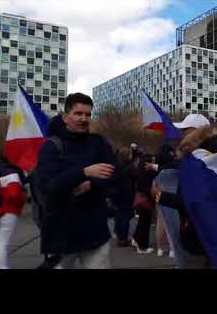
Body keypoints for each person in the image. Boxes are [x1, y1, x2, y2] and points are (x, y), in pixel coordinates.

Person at [36, 93, 116, 269]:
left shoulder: (98, 142)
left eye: (88, 114)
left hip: (96, 231)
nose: (84, 119)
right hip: (60, 234)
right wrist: (83, 172)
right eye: (78, 114)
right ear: (66, 117)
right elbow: (47, 186)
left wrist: (91, 184)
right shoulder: (51, 146)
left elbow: (114, 176)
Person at [152, 114, 212, 269]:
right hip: (206, 235)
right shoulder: (210, 157)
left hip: (199, 237)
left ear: (197, 132)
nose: (182, 135)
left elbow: (194, 201)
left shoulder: (199, 161)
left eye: (186, 130)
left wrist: (160, 195)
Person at [0, 164, 27, 269]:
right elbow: (14, 194)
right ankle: (1, 266)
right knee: (2, 242)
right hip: (8, 211)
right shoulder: (10, 173)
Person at [131, 154, 157, 254]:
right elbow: (146, 187)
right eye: (153, 161)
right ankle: (142, 246)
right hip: (146, 201)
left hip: (141, 201)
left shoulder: (140, 172)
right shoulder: (148, 173)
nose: (154, 163)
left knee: (142, 222)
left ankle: (136, 239)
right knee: (145, 223)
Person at [112, 147, 137, 247]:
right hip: (127, 193)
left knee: (118, 215)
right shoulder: (130, 167)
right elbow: (136, 176)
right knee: (125, 217)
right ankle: (123, 238)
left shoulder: (115, 165)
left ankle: (118, 235)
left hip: (116, 193)